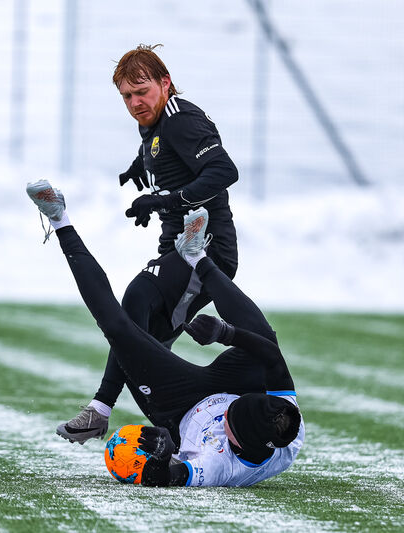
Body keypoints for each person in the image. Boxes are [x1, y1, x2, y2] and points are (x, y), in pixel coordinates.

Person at [27, 180, 303, 486]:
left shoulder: (219, 466)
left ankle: (59, 218)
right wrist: (225, 333)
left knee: (120, 329)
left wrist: (163, 453)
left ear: (239, 444)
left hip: (181, 408)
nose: (224, 414)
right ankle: (197, 258)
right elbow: (272, 357)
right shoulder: (287, 418)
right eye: (232, 410)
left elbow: (164, 478)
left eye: (229, 421)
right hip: (235, 384)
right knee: (265, 339)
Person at [57, 44, 241, 444]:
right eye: (126, 96)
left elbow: (224, 170)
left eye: (142, 91)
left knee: (137, 298)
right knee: (143, 347)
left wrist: (164, 201)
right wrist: (142, 164)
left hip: (206, 250)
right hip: (180, 246)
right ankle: (185, 436)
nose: (135, 103)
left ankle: (101, 409)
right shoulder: (154, 123)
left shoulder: (180, 119)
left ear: (165, 83)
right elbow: (167, 148)